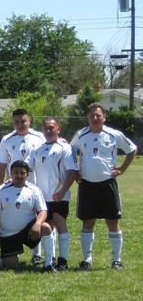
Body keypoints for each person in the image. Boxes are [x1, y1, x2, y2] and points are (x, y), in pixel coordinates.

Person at [61, 103, 137, 270]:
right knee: (88, 222)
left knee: (112, 221)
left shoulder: (113, 134)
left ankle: (116, 260)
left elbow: (132, 149)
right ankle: (87, 260)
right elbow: (70, 151)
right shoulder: (81, 135)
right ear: (87, 118)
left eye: (98, 115)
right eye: (91, 116)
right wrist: (76, 171)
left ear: (104, 117)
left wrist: (122, 169)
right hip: (86, 185)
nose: (95, 118)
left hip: (108, 184)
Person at [25, 117, 78, 271]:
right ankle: (51, 259)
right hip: (43, 198)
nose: (48, 131)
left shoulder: (65, 148)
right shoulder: (37, 150)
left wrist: (62, 191)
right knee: (46, 227)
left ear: (58, 129)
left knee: (60, 223)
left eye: (51, 128)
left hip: (59, 196)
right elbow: (25, 167)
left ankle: (63, 260)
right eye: (46, 128)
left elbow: (72, 171)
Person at [0, 160, 54, 271]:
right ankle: (3, 256)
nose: (19, 175)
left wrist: (38, 223)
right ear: (11, 173)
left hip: (29, 232)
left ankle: (49, 264)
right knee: (10, 266)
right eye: (15, 172)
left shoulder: (34, 190)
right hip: (8, 234)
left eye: (22, 173)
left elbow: (43, 211)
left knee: (46, 228)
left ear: (27, 174)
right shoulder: (1, 190)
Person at [0, 109, 45, 185]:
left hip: (34, 185)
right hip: (13, 185)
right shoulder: (6, 139)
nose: (20, 125)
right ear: (13, 122)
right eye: (16, 122)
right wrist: (0, 185)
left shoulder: (40, 137)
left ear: (29, 120)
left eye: (23, 121)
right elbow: (2, 164)